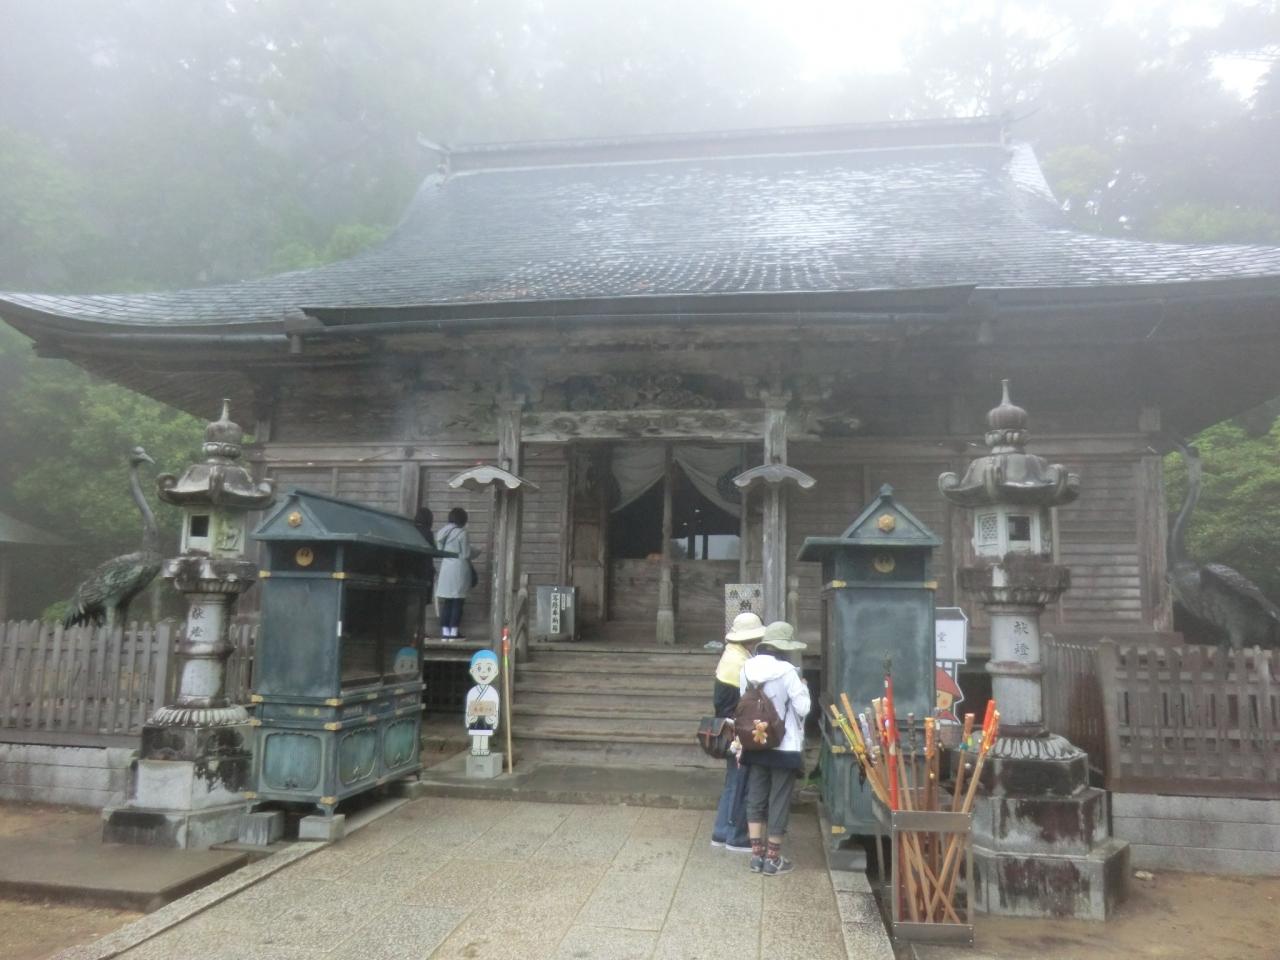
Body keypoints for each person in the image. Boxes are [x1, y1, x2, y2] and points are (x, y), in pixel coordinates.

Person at [740, 620, 810, 876]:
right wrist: (804, 688)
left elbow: (742, 701)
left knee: (756, 796)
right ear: (784, 648)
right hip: (784, 744)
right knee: (778, 799)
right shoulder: (787, 671)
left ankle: (756, 856)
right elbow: (803, 708)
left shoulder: (746, 668)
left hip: (755, 741)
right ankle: (773, 859)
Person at [710, 611, 763, 852]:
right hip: (737, 729)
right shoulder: (742, 662)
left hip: (727, 726)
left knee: (732, 781)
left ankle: (721, 832)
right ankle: (735, 835)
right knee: (741, 783)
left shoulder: (730, 655)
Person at [435, 507, 471, 639]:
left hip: (446, 568)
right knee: (458, 601)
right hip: (459, 569)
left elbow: (440, 549)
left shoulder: (442, 533)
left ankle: (445, 633)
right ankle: (454, 633)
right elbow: (466, 554)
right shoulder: (462, 533)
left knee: (447, 602)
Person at [413, 507, 437, 635]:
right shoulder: (428, 533)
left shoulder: (411, 530)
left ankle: (412, 630)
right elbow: (433, 550)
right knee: (421, 604)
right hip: (425, 570)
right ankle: (420, 630)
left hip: (411, 571)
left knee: (411, 602)